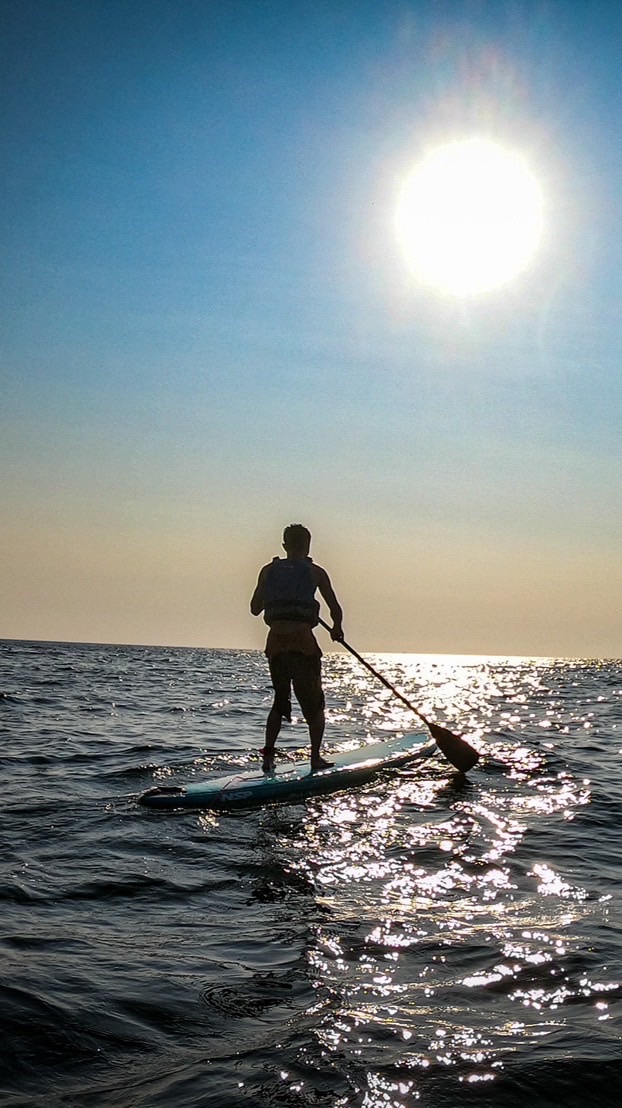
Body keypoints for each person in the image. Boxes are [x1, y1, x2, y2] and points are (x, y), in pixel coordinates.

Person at [250, 524, 344, 773]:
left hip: (276, 644)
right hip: (303, 643)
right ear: (308, 544)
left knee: (279, 702)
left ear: (284, 545)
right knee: (315, 704)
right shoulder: (316, 572)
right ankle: (315, 757)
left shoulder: (268, 571)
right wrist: (337, 628)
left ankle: (268, 758)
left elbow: (255, 608)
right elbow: (334, 607)